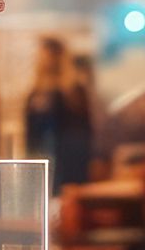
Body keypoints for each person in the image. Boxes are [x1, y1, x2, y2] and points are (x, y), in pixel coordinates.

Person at [22, 35, 96, 190]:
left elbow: (84, 130)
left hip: (69, 159)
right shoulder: (36, 92)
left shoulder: (74, 92)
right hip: (43, 155)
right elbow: (30, 132)